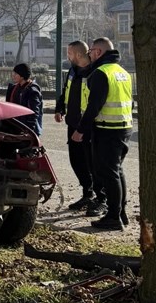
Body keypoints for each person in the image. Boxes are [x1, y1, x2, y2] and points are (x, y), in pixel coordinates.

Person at [72, 37, 133, 231]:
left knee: (108, 173)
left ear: (98, 52)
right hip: (123, 127)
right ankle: (120, 213)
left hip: (107, 129)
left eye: (90, 51)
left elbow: (94, 106)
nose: (89, 54)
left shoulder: (100, 73)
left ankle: (114, 217)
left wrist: (81, 129)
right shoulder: (122, 72)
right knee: (116, 171)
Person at [55, 41, 101, 211]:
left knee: (93, 164)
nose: (67, 56)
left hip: (88, 127)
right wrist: (60, 108)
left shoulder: (94, 72)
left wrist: (83, 126)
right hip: (73, 124)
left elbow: (94, 102)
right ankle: (87, 194)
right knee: (77, 162)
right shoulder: (73, 70)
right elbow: (66, 90)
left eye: (69, 53)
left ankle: (99, 198)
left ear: (79, 55)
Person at [5, 63, 43, 135]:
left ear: (22, 76)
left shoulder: (32, 90)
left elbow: (34, 112)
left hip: (26, 129)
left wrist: (29, 130)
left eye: (16, 73)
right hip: (16, 126)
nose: (13, 75)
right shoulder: (14, 88)